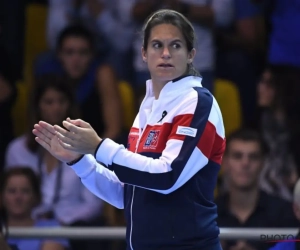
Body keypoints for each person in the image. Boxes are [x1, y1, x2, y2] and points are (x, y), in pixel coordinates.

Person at [33, 9, 226, 250]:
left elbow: (168, 176)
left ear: (191, 55)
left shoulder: (197, 101)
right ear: (144, 53)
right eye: (157, 45)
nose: (165, 53)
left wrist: (99, 146)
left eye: (175, 46)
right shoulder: (147, 108)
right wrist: (80, 161)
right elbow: (126, 195)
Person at [0, 167, 69, 250]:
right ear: (1, 197)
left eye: (25, 191)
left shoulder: (51, 228)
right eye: (12, 191)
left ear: (36, 197)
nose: (18, 197)